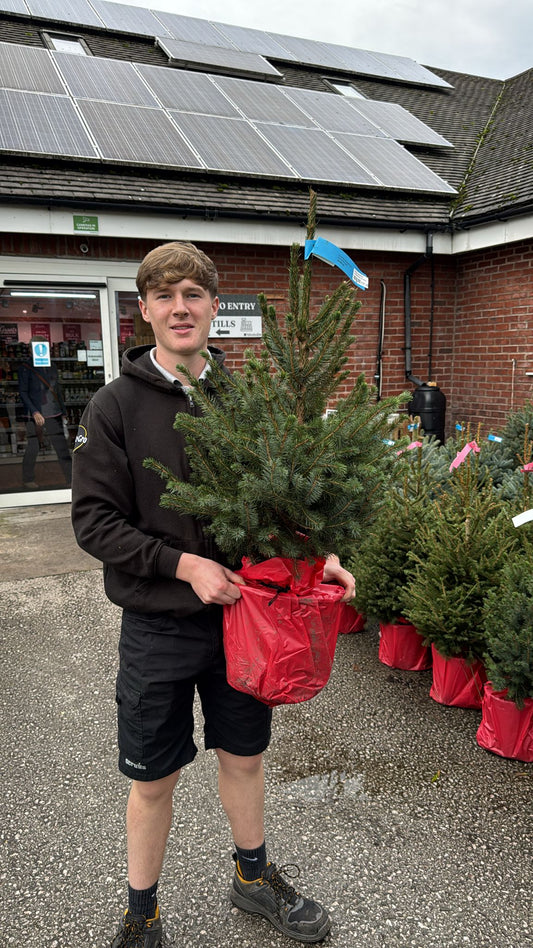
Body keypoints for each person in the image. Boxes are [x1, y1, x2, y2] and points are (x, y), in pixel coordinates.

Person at [71, 241, 355, 948]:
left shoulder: (245, 399)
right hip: (158, 626)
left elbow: (279, 503)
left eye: (192, 293)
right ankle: (142, 912)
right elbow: (93, 522)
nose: (179, 308)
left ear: (212, 307)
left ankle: (252, 879)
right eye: (164, 295)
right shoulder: (114, 406)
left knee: (245, 757)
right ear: (144, 311)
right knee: (154, 777)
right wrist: (182, 565)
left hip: (247, 622)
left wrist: (315, 555)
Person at [18, 346, 72, 489]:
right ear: (31, 350)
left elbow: (57, 390)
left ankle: (71, 479)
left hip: (53, 412)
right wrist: (35, 411)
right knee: (33, 447)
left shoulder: (52, 366)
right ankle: (28, 479)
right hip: (34, 414)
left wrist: (63, 411)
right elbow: (23, 392)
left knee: (62, 448)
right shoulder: (25, 367)